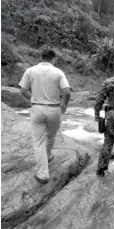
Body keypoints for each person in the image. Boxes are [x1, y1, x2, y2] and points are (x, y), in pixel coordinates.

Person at [19, 49, 71, 184]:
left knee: (38, 142)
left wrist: (33, 100)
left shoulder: (30, 70)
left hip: (37, 109)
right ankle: (47, 157)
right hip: (54, 110)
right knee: (51, 136)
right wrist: (64, 105)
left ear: (41, 58)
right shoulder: (58, 72)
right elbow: (66, 91)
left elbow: (23, 90)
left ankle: (42, 174)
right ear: (53, 59)